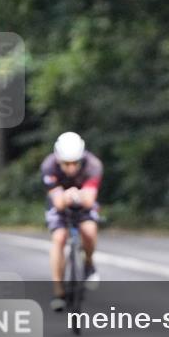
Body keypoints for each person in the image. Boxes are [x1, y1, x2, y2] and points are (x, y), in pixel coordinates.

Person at [41, 132, 103, 312]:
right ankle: (58, 291)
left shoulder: (94, 165)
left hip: (83, 203)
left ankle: (89, 263)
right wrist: (72, 195)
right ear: (58, 160)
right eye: (66, 163)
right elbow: (58, 203)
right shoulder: (49, 166)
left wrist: (72, 195)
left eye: (75, 163)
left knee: (89, 231)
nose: (71, 168)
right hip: (59, 204)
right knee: (59, 238)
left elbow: (90, 200)